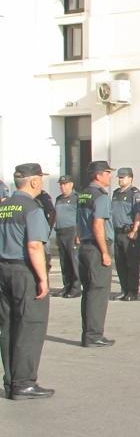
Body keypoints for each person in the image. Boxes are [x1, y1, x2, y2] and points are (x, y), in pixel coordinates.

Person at [0, 163, 54, 400]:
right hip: (24, 272)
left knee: (9, 326)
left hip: (3, 270)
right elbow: (34, 245)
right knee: (30, 326)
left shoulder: (4, 206)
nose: (42, 182)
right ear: (33, 181)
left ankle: (11, 381)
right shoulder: (31, 207)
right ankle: (24, 383)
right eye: (41, 178)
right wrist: (43, 279)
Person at [77, 160, 115, 347]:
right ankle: (94, 336)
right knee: (98, 292)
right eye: (107, 172)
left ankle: (88, 334)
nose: (110, 175)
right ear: (99, 175)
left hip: (85, 246)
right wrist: (105, 252)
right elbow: (98, 225)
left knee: (89, 292)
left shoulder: (83, 194)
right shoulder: (100, 196)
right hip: (96, 247)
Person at [110, 167, 140, 301]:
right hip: (118, 232)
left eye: (123, 177)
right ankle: (123, 289)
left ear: (130, 178)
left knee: (132, 263)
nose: (120, 179)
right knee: (120, 263)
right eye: (119, 177)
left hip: (129, 232)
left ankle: (132, 291)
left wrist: (135, 230)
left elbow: (139, 212)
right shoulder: (115, 193)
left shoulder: (134, 193)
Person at [52, 176, 81, 298]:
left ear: (71, 184)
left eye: (65, 184)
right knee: (64, 262)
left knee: (74, 260)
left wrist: (79, 234)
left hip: (72, 232)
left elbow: (81, 217)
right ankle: (67, 286)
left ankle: (76, 287)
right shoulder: (59, 199)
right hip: (61, 232)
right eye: (61, 185)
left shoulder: (76, 198)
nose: (62, 187)